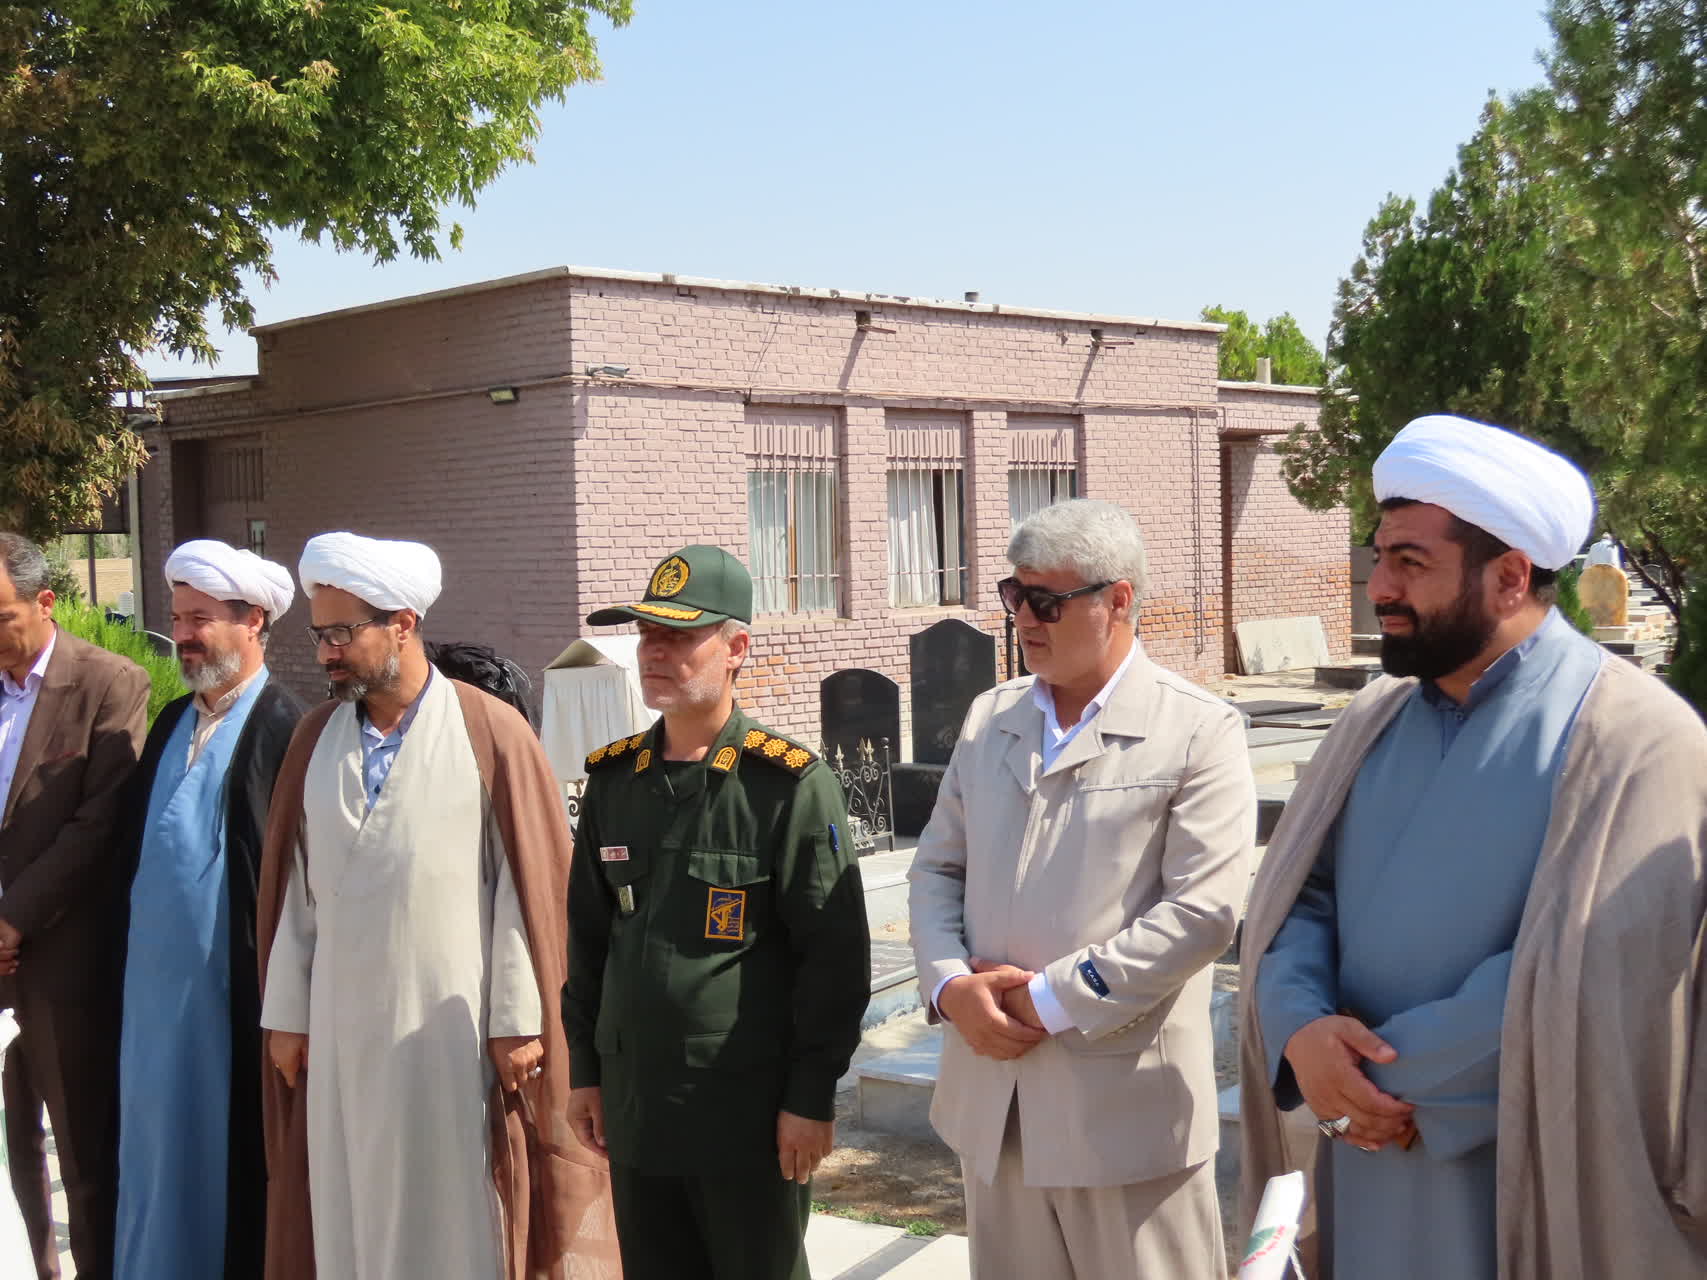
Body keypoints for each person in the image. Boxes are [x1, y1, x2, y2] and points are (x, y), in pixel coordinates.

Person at [1241, 414, 1707, 1280]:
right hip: (1363, 1157)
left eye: (1409, 562)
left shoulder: (1637, 738)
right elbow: (1300, 897)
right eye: (1379, 557)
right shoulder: (1374, 720)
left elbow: (1594, 975)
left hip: (1525, 1170)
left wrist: (1366, 1082)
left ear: (1508, 576)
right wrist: (1300, 1029)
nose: (1379, 586)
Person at [256, 532, 617, 1279]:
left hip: (450, 1030)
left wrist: (517, 1019)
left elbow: (525, 887)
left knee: (449, 1210)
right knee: (348, 1201)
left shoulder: (488, 729)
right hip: (339, 1029)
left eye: (342, 634)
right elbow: (295, 888)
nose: (326, 653)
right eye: (319, 636)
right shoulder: (314, 738)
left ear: (402, 625)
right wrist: (287, 1012)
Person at [908, 499, 1254, 1280]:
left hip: (1124, 1117)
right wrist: (950, 988)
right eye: (1013, 595)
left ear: (1117, 599)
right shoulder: (990, 718)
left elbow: (1201, 911)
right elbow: (936, 871)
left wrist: (1050, 999)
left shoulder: (1197, 729)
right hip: (993, 1104)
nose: (1022, 619)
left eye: (1046, 601)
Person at [564, 545, 870, 1280]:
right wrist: (585, 1072)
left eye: (679, 635)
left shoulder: (786, 785)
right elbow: (589, 941)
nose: (654, 651)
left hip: (744, 1115)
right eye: (646, 634)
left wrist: (810, 1097)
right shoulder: (614, 782)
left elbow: (833, 961)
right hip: (637, 1107)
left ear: (736, 649)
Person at [113, 539, 304, 1280]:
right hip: (150, 1010)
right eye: (176, 619)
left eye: (200, 619)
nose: (183, 636)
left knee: (231, 1174)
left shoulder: (288, 729)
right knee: (151, 1160)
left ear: (252, 620)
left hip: (236, 1009)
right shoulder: (169, 722)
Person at [0, 531, 149, 1280]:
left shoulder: (109, 683)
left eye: (1, 617)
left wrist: (13, 919)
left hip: (62, 958)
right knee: (11, 1146)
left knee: (82, 1153)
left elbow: (99, 823)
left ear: (45, 602)